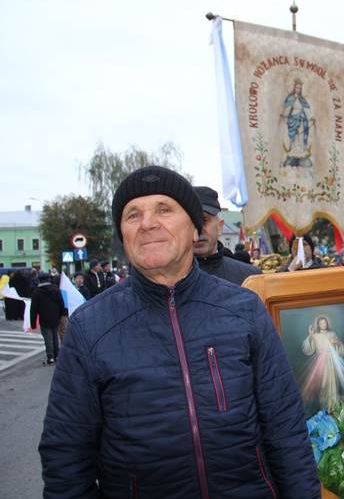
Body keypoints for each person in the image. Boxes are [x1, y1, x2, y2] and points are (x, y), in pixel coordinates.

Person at [39, 166, 319, 497]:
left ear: (193, 227)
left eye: (164, 209)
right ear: (123, 235)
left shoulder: (245, 309)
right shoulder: (89, 327)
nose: (147, 223)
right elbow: (66, 461)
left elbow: (286, 430)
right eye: (132, 215)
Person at [193, 186, 262, 286]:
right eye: (192, 222)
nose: (198, 230)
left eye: (204, 221)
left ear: (219, 227)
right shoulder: (166, 279)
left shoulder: (250, 278)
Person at [29, 272, 66, 365]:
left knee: (48, 338)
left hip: (44, 318)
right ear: (49, 279)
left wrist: (33, 323)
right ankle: (56, 355)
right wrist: (62, 314)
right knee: (55, 336)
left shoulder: (37, 292)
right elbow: (61, 303)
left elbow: (33, 308)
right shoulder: (55, 290)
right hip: (55, 317)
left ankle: (50, 357)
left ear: (39, 280)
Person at [280, 78, 315, 168]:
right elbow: (287, 108)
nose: (298, 90)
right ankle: (293, 154)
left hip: (302, 120)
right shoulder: (291, 98)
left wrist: (311, 117)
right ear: (294, 88)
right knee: (294, 138)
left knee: (301, 137)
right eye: (297, 88)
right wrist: (284, 115)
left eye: (300, 88)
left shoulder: (302, 100)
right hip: (293, 120)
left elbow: (307, 109)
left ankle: (301, 155)